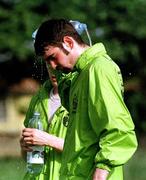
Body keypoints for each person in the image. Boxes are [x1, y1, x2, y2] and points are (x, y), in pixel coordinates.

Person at [33, 19, 138, 180]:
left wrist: (102, 169)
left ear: (68, 42)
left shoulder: (98, 69)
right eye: (48, 62)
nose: (52, 66)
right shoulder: (79, 76)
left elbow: (118, 129)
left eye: (53, 57)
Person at [20, 67, 75, 180]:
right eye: (48, 62)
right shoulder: (38, 97)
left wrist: (48, 140)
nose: (53, 69)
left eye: (56, 61)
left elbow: (88, 148)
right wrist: (24, 147)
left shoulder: (82, 97)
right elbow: (28, 156)